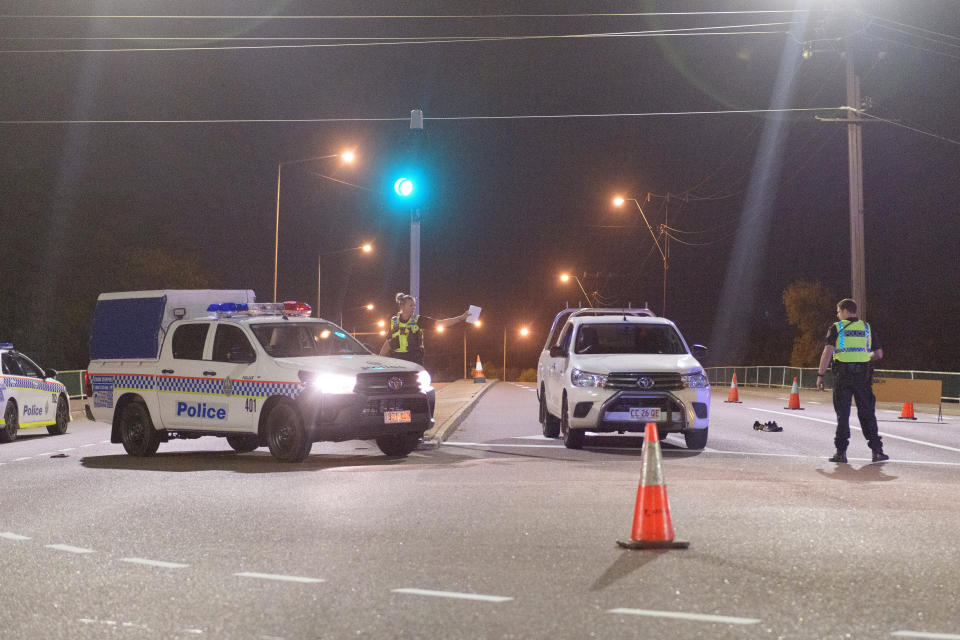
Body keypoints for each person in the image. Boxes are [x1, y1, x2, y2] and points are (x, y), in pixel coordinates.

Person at [816, 298, 888, 463]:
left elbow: (828, 352)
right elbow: (879, 354)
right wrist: (864, 357)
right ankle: (877, 451)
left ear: (845, 311)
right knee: (868, 414)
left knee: (843, 415)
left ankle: (841, 453)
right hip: (863, 377)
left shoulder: (837, 327)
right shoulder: (867, 327)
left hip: (843, 376)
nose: (837, 314)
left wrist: (820, 375)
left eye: (838, 311)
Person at [379, 293, 469, 366]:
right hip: (398, 362)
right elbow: (388, 342)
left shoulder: (418, 320)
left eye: (414, 305)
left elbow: (439, 323)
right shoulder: (394, 321)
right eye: (411, 305)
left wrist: (460, 318)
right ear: (402, 307)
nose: (414, 308)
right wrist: (380, 359)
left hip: (414, 361)